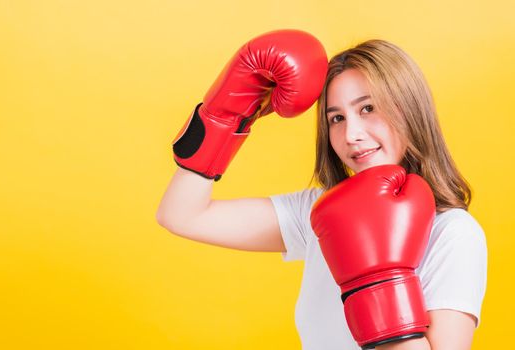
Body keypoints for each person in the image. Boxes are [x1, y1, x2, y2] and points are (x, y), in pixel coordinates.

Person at [156, 31, 487, 349]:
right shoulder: (319, 212)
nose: (352, 134)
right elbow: (182, 215)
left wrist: (379, 280)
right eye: (337, 118)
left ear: (411, 109)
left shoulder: (453, 233)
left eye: (368, 109)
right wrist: (227, 116)